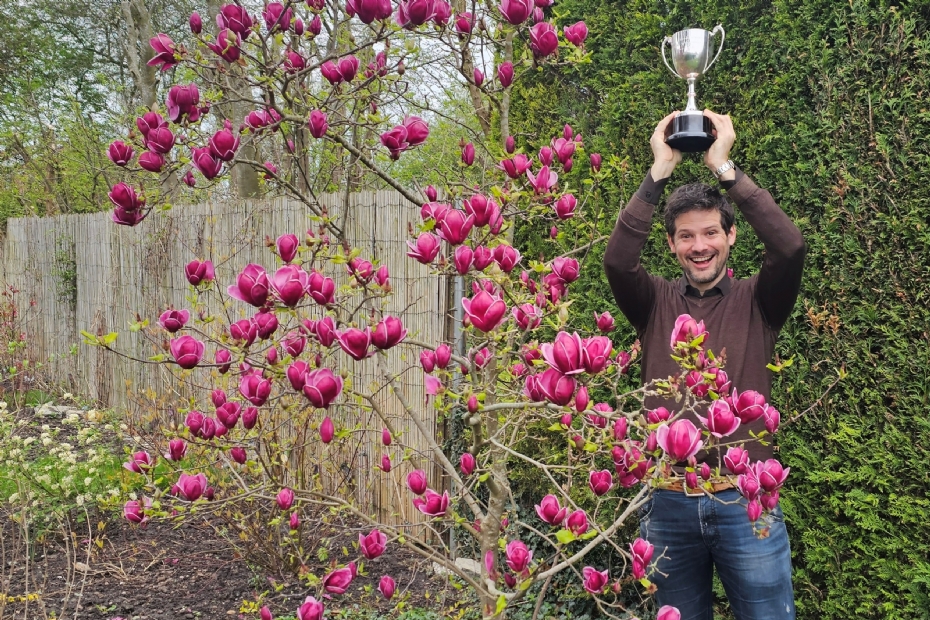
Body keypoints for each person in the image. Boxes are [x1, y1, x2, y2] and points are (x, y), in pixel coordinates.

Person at [602, 110, 806, 620]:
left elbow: (790, 247)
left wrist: (725, 168)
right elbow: (617, 263)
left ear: (730, 237)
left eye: (711, 233)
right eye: (687, 237)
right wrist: (658, 172)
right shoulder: (652, 303)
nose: (700, 246)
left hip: (747, 500)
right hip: (668, 501)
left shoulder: (760, 302)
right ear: (671, 244)